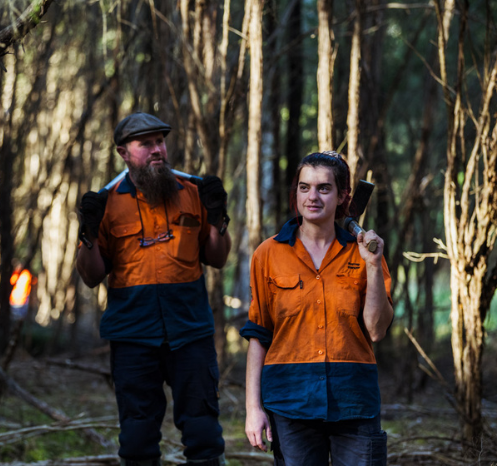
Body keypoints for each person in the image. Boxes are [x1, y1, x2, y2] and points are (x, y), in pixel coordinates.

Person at [76, 112, 232, 466]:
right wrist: (87, 234)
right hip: (133, 335)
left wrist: (218, 219)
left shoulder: (193, 193)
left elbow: (218, 259)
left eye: (160, 141)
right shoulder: (107, 202)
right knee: (137, 440)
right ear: (123, 153)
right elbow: (90, 276)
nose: (157, 149)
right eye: (145, 143)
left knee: (205, 435)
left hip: (190, 331)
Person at [240, 151, 393, 466]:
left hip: (354, 399)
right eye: (304, 187)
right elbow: (259, 334)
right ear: (295, 192)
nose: (312, 196)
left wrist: (374, 267)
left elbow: (377, 330)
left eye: (324, 188)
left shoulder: (365, 253)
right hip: (289, 399)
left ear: (342, 198)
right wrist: (253, 409)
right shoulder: (267, 254)